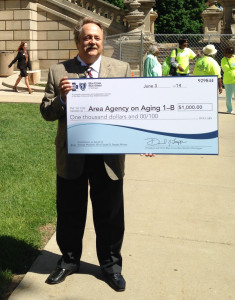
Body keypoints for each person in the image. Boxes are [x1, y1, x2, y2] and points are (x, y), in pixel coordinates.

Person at [40, 18, 131, 292]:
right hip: (72, 156)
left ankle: (111, 266)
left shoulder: (121, 69)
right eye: (87, 37)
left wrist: (145, 137)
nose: (92, 41)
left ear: (103, 41)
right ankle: (68, 261)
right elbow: (46, 111)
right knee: (69, 212)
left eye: (97, 37)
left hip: (108, 157)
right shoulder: (59, 72)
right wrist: (62, 99)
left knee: (111, 215)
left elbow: (131, 109)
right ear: (78, 41)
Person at [221, 46, 235, 113]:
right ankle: (229, 109)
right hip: (227, 80)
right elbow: (224, 69)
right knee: (228, 96)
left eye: (227, 53)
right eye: (225, 53)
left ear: (231, 53)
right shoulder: (223, 59)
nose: (225, 54)